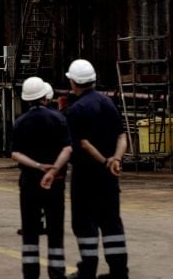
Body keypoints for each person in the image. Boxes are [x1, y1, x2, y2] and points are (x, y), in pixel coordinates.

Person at [65, 59, 129, 279]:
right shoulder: (108, 103)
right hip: (110, 177)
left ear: (74, 82)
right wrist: (116, 160)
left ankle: (88, 270)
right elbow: (122, 136)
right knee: (111, 223)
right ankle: (119, 272)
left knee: (85, 224)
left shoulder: (77, 110)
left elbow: (82, 143)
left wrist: (104, 161)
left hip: (86, 176)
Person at [12, 77, 72, 279]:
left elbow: (15, 154)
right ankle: (57, 272)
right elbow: (68, 148)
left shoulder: (20, 122)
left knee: (30, 231)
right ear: (45, 97)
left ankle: (30, 273)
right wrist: (53, 170)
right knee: (55, 229)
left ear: (26, 99)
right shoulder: (58, 119)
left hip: (29, 182)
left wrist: (38, 166)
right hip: (54, 183)